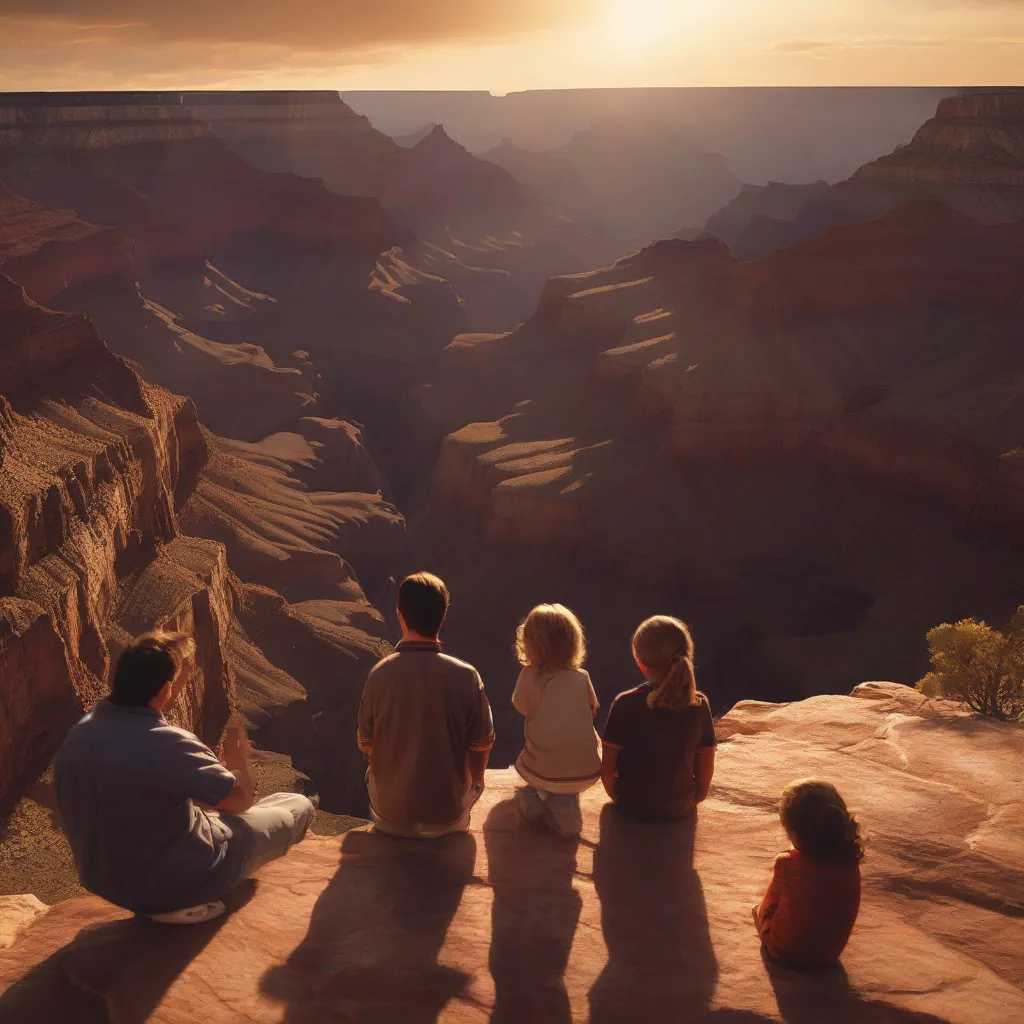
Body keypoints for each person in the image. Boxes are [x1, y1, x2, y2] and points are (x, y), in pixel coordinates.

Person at [55, 631, 315, 925]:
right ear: (164, 690)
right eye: (179, 680)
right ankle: (182, 903)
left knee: (269, 805)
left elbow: (135, 790)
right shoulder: (167, 743)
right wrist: (240, 758)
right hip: (178, 883)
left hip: (104, 881)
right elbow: (240, 801)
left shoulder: (79, 734)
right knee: (296, 805)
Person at [357, 572, 494, 838]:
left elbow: (366, 743)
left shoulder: (379, 674)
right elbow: (482, 742)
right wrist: (475, 783)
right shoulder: (467, 675)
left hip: (390, 819)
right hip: (448, 819)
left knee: (368, 772)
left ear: (399, 614)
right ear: (443, 614)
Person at [600, 615, 716, 821]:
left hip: (631, 805)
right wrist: (695, 798)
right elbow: (705, 767)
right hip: (680, 806)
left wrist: (617, 796)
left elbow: (608, 767)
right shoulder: (698, 705)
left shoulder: (624, 703)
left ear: (641, 663)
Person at [511, 604, 602, 839]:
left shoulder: (529, 675)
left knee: (536, 761)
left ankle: (538, 800)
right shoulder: (582, 677)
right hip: (586, 771)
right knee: (567, 767)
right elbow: (593, 709)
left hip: (541, 769)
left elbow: (521, 706)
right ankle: (565, 803)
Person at [754, 779, 863, 967]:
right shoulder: (850, 863)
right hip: (829, 955)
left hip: (784, 952)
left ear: (796, 834)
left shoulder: (786, 863)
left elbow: (769, 904)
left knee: (759, 910)